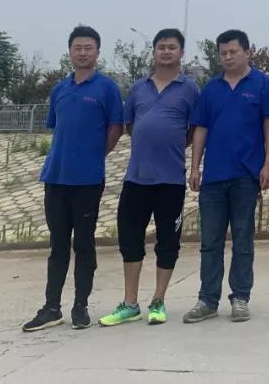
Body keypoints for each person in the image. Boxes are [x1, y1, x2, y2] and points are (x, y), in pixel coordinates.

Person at [22, 25, 123, 332]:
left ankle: (81, 305)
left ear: (97, 52)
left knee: (84, 244)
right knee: (58, 245)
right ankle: (52, 307)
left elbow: (116, 128)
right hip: (56, 177)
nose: (82, 52)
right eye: (77, 47)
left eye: (88, 47)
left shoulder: (107, 88)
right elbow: (57, 126)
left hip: (88, 180)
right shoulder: (59, 89)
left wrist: (95, 155)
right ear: (70, 52)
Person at [99, 28, 199, 328]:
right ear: (154, 52)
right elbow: (130, 126)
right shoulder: (138, 89)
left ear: (181, 53)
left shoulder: (190, 89)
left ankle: (158, 300)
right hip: (137, 179)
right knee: (130, 240)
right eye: (161, 47)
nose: (166, 52)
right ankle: (130, 303)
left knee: (168, 242)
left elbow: (194, 132)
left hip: (171, 181)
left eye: (172, 47)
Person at [183, 30, 269, 324]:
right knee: (210, 241)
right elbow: (201, 129)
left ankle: (240, 297)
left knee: (243, 240)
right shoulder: (211, 89)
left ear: (247, 52)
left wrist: (268, 164)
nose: (227, 57)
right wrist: (195, 167)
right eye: (222, 53)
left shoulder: (262, 84)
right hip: (214, 177)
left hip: (246, 176)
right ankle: (207, 299)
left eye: (233, 52)